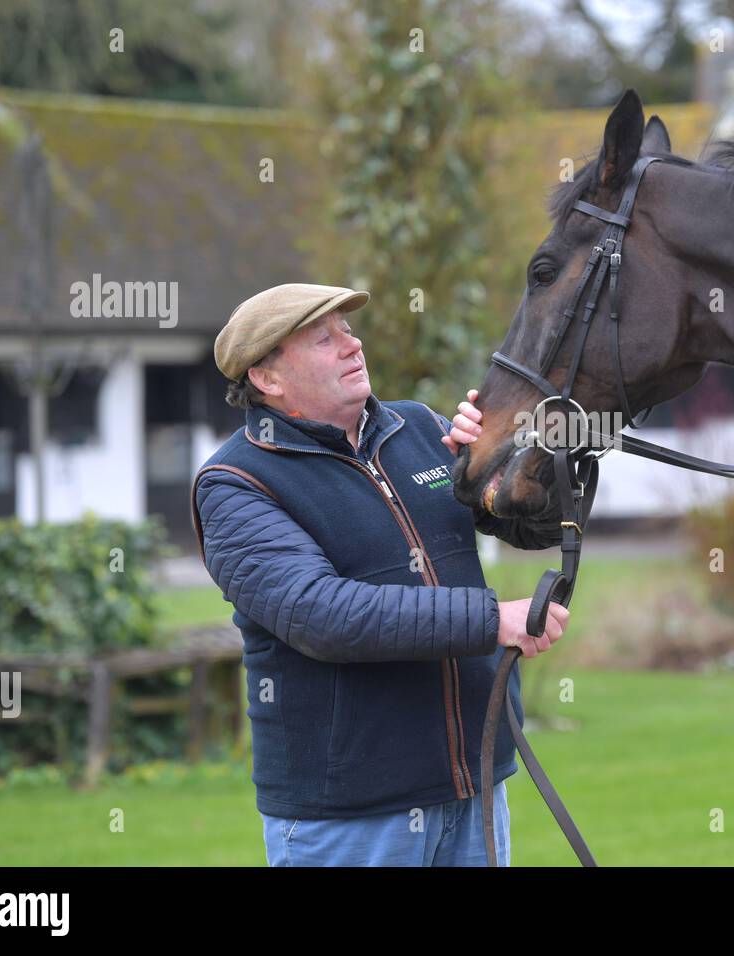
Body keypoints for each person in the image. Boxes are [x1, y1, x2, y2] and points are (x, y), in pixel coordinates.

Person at [191, 283, 574, 866]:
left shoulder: (418, 428)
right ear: (268, 379)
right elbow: (323, 616)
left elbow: (528, 528)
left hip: (475, 786)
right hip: (352, 815)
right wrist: (493, 620)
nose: (353, 345)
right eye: (325, 339)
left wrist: (522, 461)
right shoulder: (236, 482)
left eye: (349, 330)